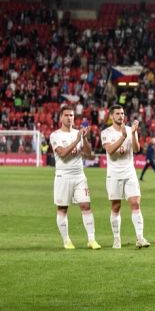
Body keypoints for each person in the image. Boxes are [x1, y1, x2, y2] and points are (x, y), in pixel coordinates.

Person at [50, 106, 101, 250]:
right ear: (61, 118)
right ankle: (66, 240)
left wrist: (84, 138)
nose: (69, 118)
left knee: (86, 206)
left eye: (71, 115)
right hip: (63, 176)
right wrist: (77, 139)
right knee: (62, 208)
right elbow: (62, 154)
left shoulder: (79, 133)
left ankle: (91, 240)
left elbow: (89, 154)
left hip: (79, 176)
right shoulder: (56, 135)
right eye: (66, 115)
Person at [101, 105, 150, 249]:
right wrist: (123, 136)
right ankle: (117, 239)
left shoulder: (129, 130)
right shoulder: (106, 133)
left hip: (129, 172)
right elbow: (110, 150)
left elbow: (136, 149)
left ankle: (140, 237)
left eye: (122, 113)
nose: (120, 116)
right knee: (116, 206)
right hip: (114, 174)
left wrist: (133, 134)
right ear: (111, 116)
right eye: (117, 113)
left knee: (135, 203)